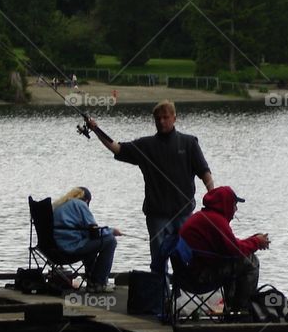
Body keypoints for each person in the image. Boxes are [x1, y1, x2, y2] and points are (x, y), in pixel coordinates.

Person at [87, 100, 214, 272]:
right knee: (159, 261)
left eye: (165, 117)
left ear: (174, 118)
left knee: (184, 259)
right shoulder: (145, 146)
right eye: (158, 118)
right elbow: (117, 148)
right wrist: (96, 129)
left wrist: (213, 196)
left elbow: (204, 171)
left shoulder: (189, 143)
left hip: (184, 214)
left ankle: (178, 292)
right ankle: (160, 295)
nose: (161, 121)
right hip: (157, 216)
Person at [178, 186, 269, 311]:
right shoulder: (216, 221)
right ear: (226, 204)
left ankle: (232, 308)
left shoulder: (203, 216)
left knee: (233, 261)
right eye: (234, 204)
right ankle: (242, 310)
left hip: (186, 274)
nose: (236, 209)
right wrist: (257, 242)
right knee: (251, 262)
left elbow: (229, 247)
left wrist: (254, 239)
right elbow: (235, 251)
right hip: (198, 278)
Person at [51, 186, 122, 291]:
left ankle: (92, 281)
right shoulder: (80, 204)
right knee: (111, 241)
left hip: (55, 248)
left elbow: (87, 231)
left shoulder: (60, 204)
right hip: (71, 248)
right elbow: (95, 231)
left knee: (90, 242)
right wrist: (112, 231)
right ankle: (99, 282)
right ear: (87, 200)